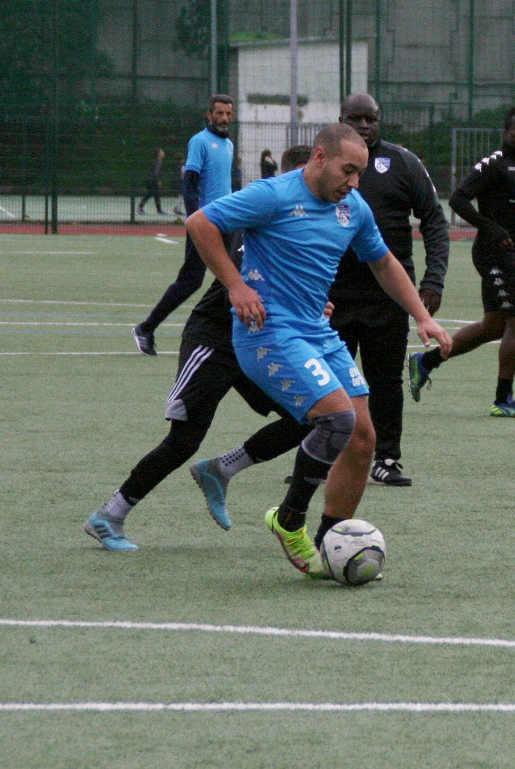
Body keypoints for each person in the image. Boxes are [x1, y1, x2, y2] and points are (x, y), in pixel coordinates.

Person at [188, 124, 451, 579]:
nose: (353, 182)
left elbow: (384, 261)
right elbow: (200, 223)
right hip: (268, 333)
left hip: (315, 331)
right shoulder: (274, 195)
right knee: (337, 418)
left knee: (364, 436)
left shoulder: (353, 205)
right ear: (320, 157)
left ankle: (332, 543)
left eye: (360, 174)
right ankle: (289, 520)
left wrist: (421, 317)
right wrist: (236, 286)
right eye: (348, 170)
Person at [85, 146, 316, 552]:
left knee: (309, 416)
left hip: (257, 341)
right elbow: (246, 284)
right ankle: (109, 516)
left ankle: (221, 470)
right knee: (183, 440)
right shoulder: (265, 217)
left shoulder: (313, 225)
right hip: (216, 339)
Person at [328, 92, 449, 487]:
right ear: (341, 119)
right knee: (328, 380)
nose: (364, 126)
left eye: (371, 119)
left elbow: (434, 219)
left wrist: (433, 279)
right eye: (355, 119)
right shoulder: (327, 164)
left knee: (384, 381)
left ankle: (387, 458)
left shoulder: (403, 163)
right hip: (332, 296)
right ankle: (324, 451)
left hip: (388, 297)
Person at [408, 105, 515, 418]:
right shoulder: (493, 165)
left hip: (514, 252)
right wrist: (490, 226)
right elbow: (458, 199)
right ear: (506, 133)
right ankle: (503, 400)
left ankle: (427, 362)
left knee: (494, 326)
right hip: (494, 253)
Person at [134, 96, 237, 356]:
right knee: (191, 281)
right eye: (219, 113)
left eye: (228, 113)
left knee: (235, 277)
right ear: (209, 114)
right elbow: (190, 185)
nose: (224, 118)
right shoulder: (200, 141)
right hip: (205, 225)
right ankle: (146, 328)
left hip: (227, 223)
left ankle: (229, 337)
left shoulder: (229, 145)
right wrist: (195, 221)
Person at [137, 148, 167, 215]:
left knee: (152, 194)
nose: (163, 153)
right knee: (154, 195)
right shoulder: (158, 162)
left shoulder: (157, 161)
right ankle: (140, 207)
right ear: (159, 154)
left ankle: (141, 208)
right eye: (162, 151)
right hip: (152, 181)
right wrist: (158, 180)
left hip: (150, 180)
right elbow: (156, 172)